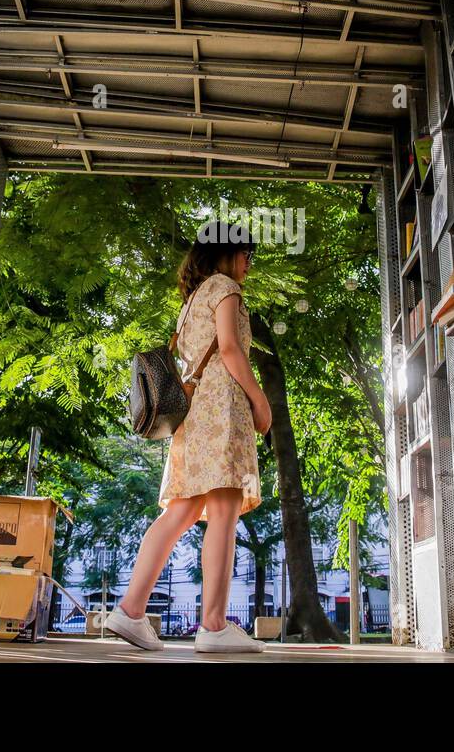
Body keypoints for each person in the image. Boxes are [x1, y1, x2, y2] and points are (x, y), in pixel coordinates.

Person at [105, 220, 272, 654]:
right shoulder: (225, 290)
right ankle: (214, 625)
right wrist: (259, 400)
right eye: (246, 255)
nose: (248, 264)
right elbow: (231, 349)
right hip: (221, 407)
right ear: (226, 254)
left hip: (193, 415)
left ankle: (130, 609)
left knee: (179, 513)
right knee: (223, 512)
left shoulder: (191, 300)